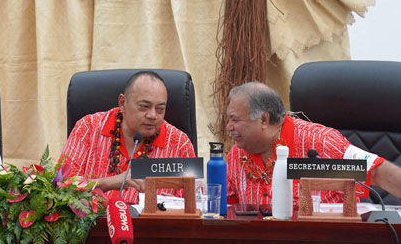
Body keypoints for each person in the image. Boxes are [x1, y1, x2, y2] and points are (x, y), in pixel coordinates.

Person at [225, 81, 401, 205]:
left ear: (264, 120)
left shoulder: (322, 143)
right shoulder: (235, 156)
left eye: (234, 120)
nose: (228, 127)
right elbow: (228, 209)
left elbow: (377, 172)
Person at [60, 70, 196, 204]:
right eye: (144, 107)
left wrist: (174, 205)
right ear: (122, 103)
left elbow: (195, 202)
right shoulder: (88, 128)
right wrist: (108, 182)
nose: (153, 115)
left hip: (154, 226)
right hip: (96, 225)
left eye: (160, 109)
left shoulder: (179, 144)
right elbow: (61, 187)